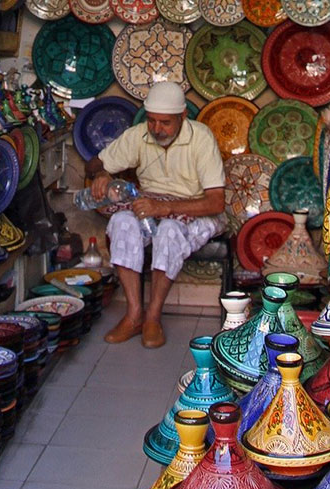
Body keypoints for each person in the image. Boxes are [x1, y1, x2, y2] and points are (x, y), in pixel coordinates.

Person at [84, 81, 226, 348]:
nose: (157, 129)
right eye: (152, 121)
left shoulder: (201, 138)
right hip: (151, 207)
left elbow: (216, 202)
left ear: (182, 117)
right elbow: (95, 163)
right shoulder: (139, 135)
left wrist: (167, 208)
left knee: (170, 230)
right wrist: (101, 174)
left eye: (165, 123)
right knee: (122, 221)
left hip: (196, 210)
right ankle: (134, 314)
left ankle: (153, 318)